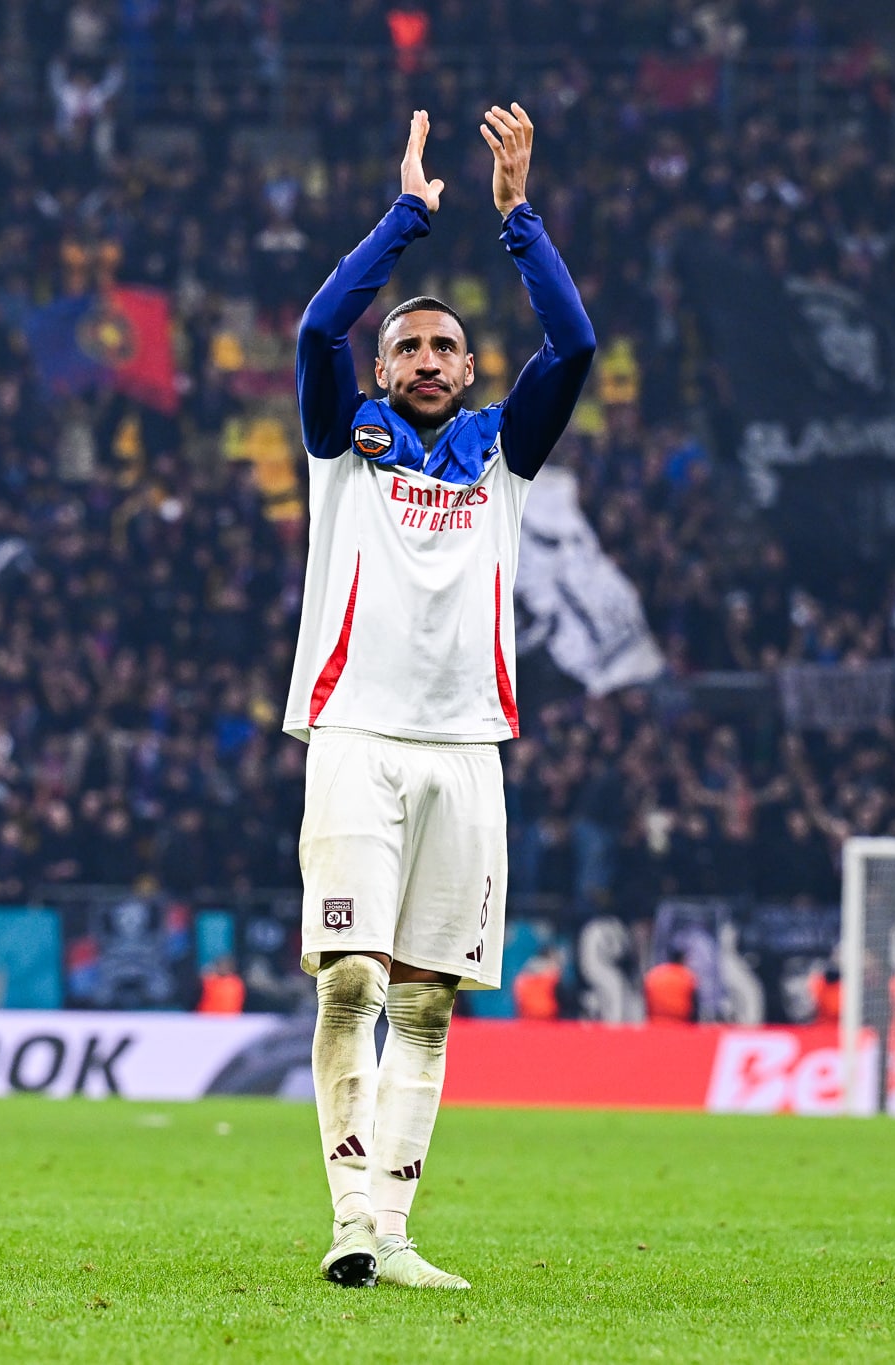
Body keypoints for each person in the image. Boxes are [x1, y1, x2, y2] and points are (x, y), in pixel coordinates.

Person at [288, 105, 593, 1291]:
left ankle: (396, 1234)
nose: (423, 361)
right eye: (406, 348)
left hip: (468, 747)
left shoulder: (501, 454)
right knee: (352, 979)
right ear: (381, 370)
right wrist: (409, 217)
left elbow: (569, 346)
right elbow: (317, 323)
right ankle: (349, 1218)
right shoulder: (341, 440)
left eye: (443, 351)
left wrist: (517, 222)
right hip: (356, 734)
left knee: (424, 1009)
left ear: (470, 372)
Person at [643, 948, 698, 1023]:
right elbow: (695, 1004)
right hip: (681, 1022)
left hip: (656, 1021)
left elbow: (646, 1001)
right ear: (682, 959)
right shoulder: (687, 976)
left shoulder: (654, 974)